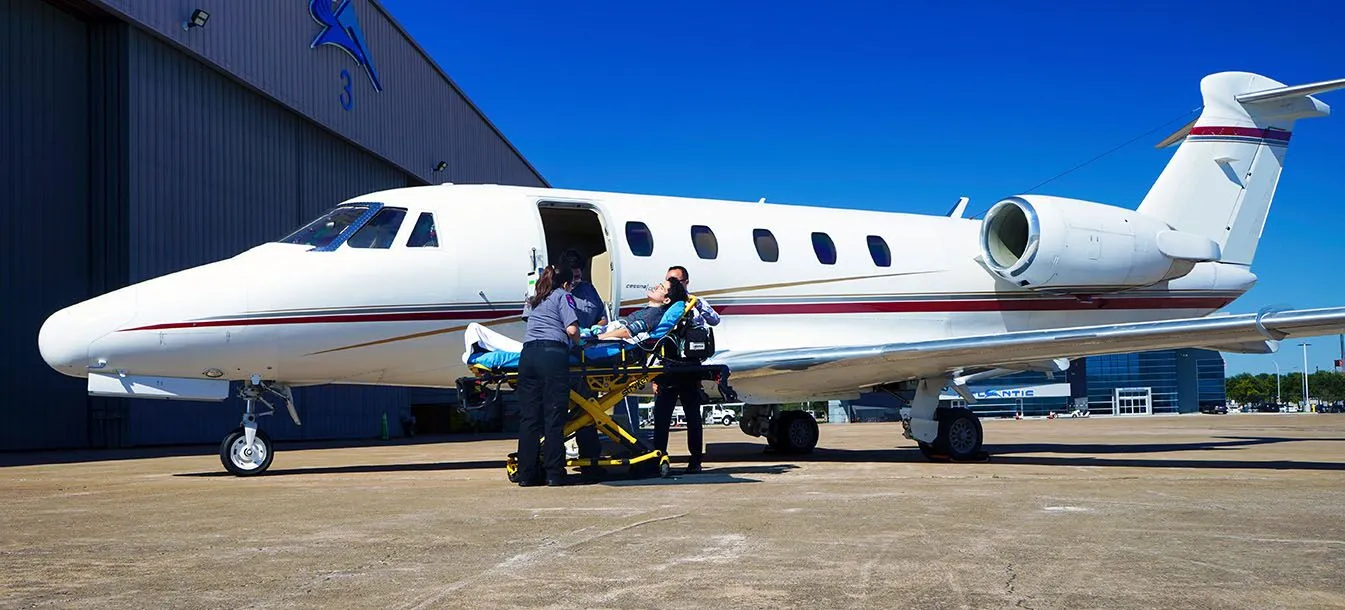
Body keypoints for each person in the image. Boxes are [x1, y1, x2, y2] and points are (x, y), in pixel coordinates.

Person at [515, 265, 580, 487]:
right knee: (553, 416)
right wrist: (580, 342)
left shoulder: (534, 297)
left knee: (529, 418)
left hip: (528, 355)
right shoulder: (563, 295)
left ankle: (527, 474)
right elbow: (571, 330)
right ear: (566, 283)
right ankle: (554, 473)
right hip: (552, 354)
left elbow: (529, 320)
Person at [652, 266, 720, 474]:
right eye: (668, 280)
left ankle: (696, 460)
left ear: (685, 283)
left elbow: (715, 320)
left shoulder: (695, 303)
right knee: (661, 416)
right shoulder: (664, 304)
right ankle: (659, 458)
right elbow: (656, 337)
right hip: (668, 367)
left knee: (693, 416)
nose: (671, 284)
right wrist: (654, 376)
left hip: (690, 367)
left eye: (676, 280)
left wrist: (697, 304)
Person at [561, 250, 608, 480]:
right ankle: (553, 461)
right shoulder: (555, 293)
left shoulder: (589, 290)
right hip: (562, 357)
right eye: (574, 274)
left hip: (587, 357)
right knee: (557, 412)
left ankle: (591, 462)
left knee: (588, 410)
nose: (578, 278)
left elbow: (602, 316)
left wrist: (598, 327)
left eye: (580, 273)